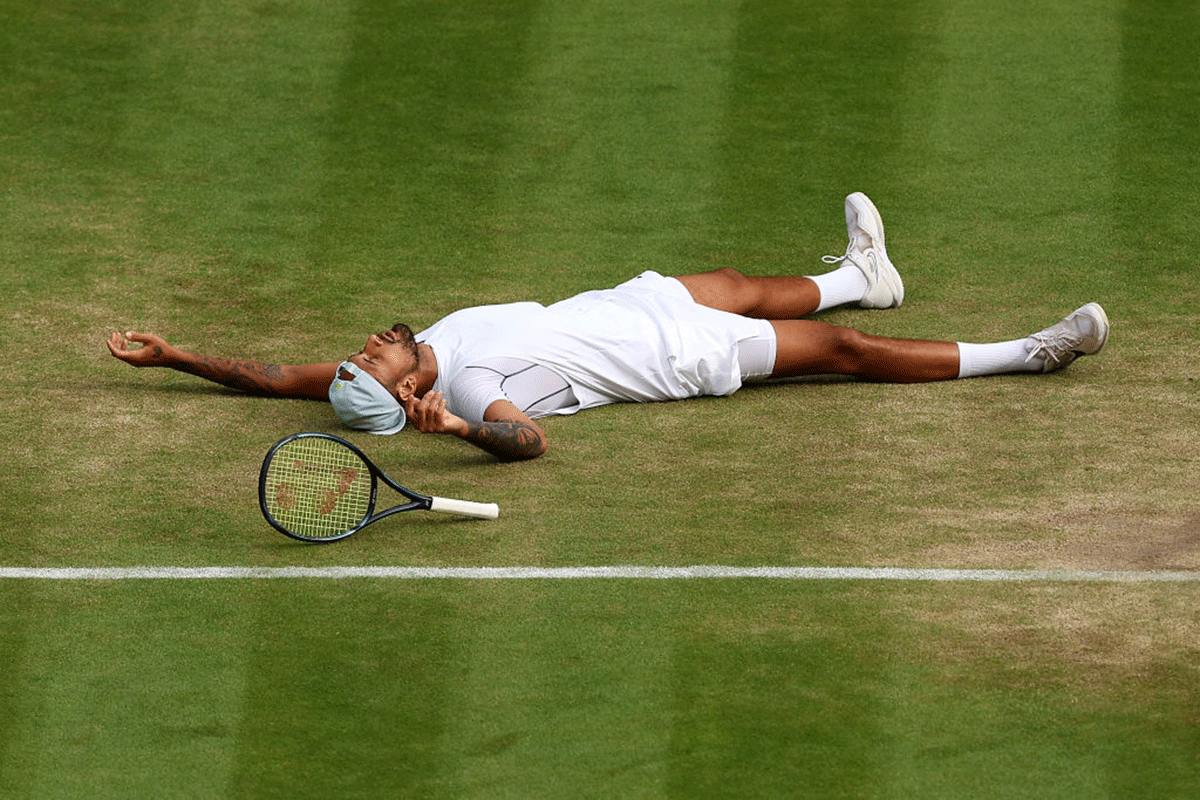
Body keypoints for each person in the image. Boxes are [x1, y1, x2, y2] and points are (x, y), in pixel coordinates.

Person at [107, 193, 1109, 462]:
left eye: (364, 348)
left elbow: (281, 375)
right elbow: (528, 439)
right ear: (406, 392)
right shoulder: (459, 387)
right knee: (844, 359)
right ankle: (1028, 353)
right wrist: (459, 433)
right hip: (676, 355)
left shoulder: (421, 355)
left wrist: (177, 354)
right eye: (371, 357)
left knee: (744, 279)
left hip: (639, 303)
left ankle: (859, 276)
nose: (367, 340)